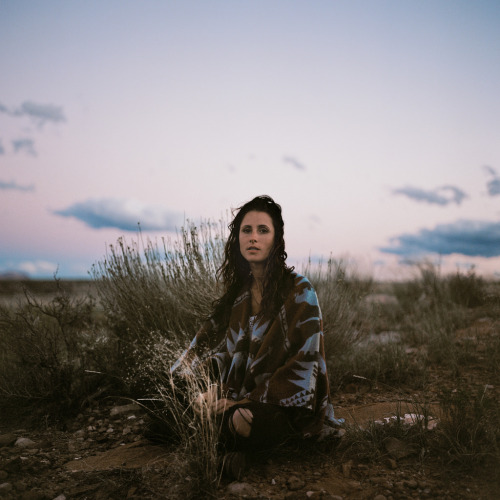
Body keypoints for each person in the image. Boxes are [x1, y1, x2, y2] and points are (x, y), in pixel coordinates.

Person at [170, 195, 341, 478]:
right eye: (246, 230)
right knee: (178, 403)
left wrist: (241, 402)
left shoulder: (300, 290)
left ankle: (217, 441)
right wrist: (204, 388)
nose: (253, 237)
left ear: (277, 239)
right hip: (238, 397)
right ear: (237, 238)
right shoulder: (239, 295)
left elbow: (305, 365)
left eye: (263, 230)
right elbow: (217, 348)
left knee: (244, 420)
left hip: (283, 406)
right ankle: (228, 449)